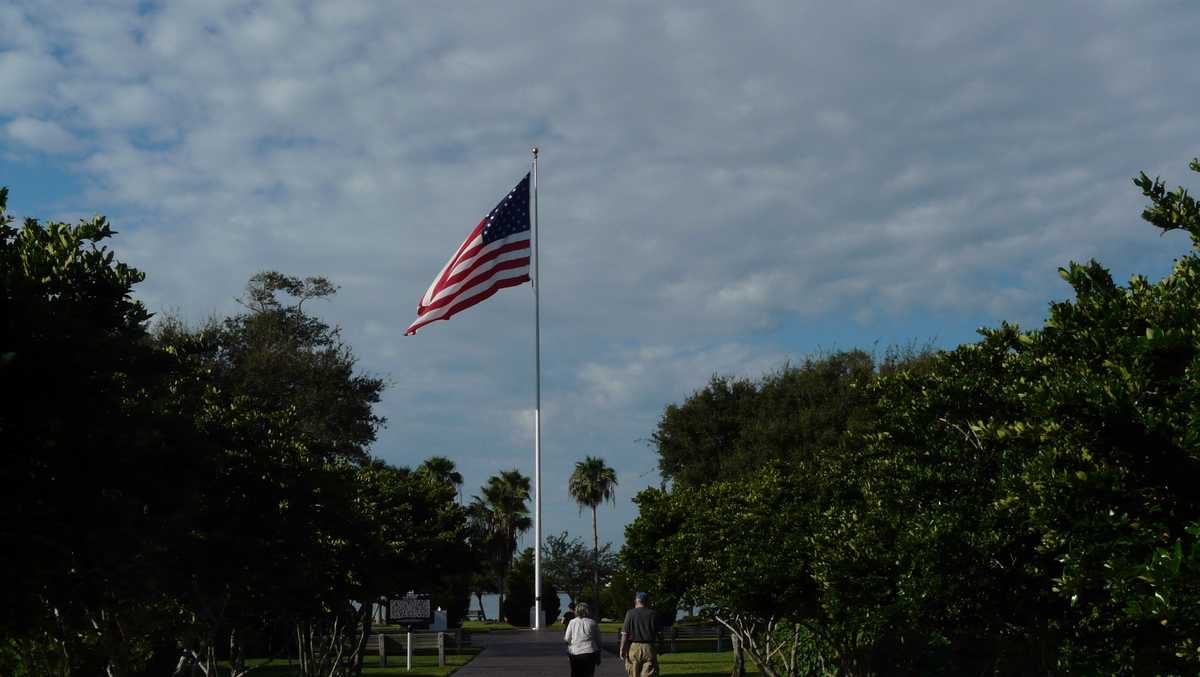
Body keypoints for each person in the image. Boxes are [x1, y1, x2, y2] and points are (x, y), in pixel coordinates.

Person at [618, 592, 660, 677]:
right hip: (649, 647)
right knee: (649, 674)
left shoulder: (630, 613)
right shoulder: (653, 614)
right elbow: (659, 633)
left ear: (636, 601)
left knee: (633, 673)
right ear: (647, 601)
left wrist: (622, 649)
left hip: (634, 648)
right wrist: (660, 647)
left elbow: (625, 634)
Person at [563, 601, 601, 677]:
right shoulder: (592, 622)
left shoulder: (572, 622)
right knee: (589, 674)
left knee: (575, 673)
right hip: (590, 652)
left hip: (575, 652)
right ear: (587, 611)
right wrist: (598, 654)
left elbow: (567, 639)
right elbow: (598, 640)